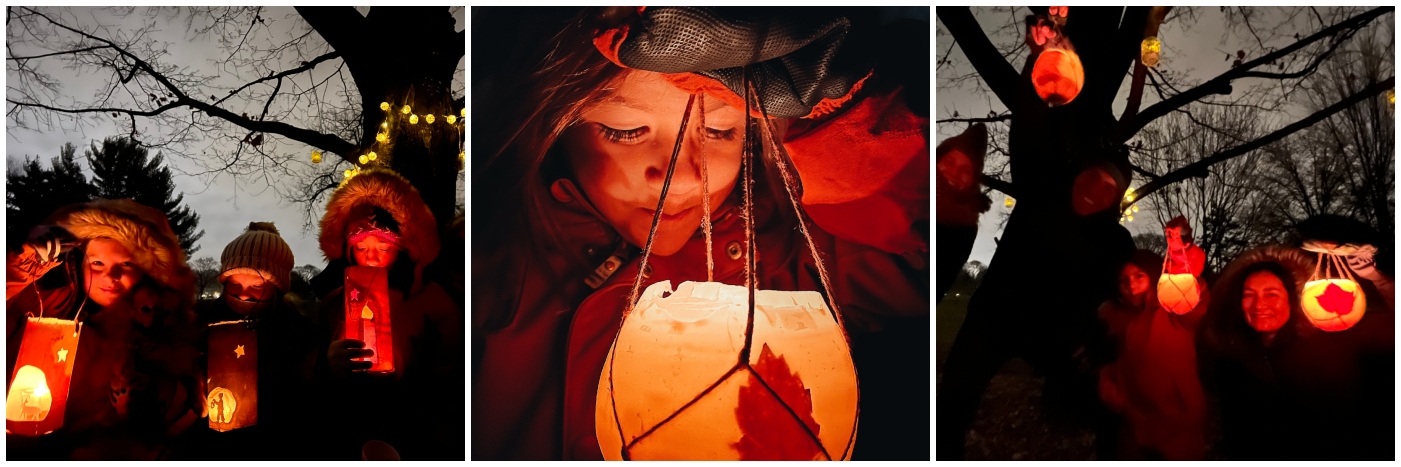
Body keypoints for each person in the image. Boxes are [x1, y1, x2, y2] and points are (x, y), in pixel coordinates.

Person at [473, 7, 929, 461]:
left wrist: (841, 117)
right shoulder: (493, 263)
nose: (682, 178)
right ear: (556, 125)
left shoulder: (787, 257)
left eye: (718, 130)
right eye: (626, 131)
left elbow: (917, 254)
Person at [5, 199, 202, 460]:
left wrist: (159, 394)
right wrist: (24, 265)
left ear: (147, 270)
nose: (111, 277)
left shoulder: (163, 325)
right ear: (78, 263)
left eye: (127, 264)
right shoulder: (45, 305)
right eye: (97, 264)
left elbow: (187, 401)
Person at [314, 168, 461, 460]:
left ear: (404, 248)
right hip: (345, 428)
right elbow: (308, 366)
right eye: (360, 247)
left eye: (383, 246)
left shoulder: (432, 300)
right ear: (347, 249)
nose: (371, 256)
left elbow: (452, 372)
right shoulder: (333, 302)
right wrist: (327, 363)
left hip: (414, 432)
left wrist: (407, 373)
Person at [1198, 245, 1393, 460]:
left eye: (1271, 294)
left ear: (1292, 299)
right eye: (1249, 295)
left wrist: (1377, 278)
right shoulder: (1232, 360)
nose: (1259, 304)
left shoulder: (1327, 344)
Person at [171, 222, 318, 460]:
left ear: (276, 288)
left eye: (256, 287)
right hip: (206, 447)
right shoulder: (198, 323)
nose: (243, 295)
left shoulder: (298, 332)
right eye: (235, 284)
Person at [1097, 245, 1208, 460]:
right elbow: (1118, 360)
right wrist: (1109, 381)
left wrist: (1183, 274)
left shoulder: (1171, 309)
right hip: (1137, 425)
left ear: (1154, 276)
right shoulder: (1117, 320)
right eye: (1124, 280)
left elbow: (1194, 301)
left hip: (1180, 424)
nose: (1131, 285)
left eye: (1139, 276)